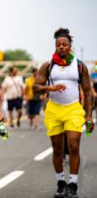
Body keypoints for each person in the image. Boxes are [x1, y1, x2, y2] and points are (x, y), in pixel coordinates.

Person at [33, 28, 94, 198]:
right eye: (58, 44)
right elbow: (35, 88)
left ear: (70, 46)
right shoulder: (47, 65)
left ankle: (73, 184)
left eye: (64, 44)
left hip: (73, 109)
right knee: (57, 148)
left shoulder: (80, 66)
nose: (61, 47)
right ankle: (61, 183)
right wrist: (49, 87)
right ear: (55, 46)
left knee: (73, 145)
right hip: (53, 109)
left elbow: (88, 92)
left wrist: (89, 116)